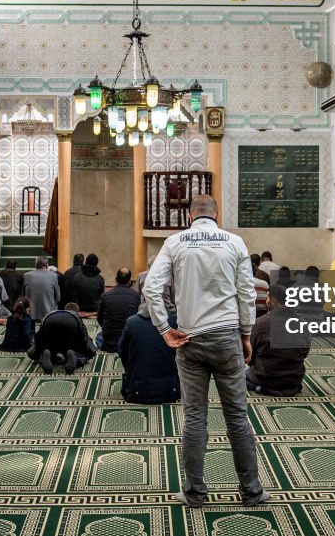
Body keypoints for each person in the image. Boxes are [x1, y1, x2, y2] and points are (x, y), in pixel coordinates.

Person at [144, 194, 269, 508]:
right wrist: (245, 335)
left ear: (190, 216)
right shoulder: (234, 242)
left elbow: (150, 288)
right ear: (217, 214)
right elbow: (246, 293)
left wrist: (164, 327)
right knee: (237, 418)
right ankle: (251, 492)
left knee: (195, 419)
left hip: (189, 340)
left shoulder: (176, 242)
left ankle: (195, 493)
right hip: (227, 336)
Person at [247, 285, 310, 397]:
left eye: (267, 298)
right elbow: (305, 353)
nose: (266, 302)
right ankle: (285, 388)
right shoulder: (302, 323)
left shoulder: (260, 323)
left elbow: (250, 356)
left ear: (273, 300)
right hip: (293, 379)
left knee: (236, 374)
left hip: (265, 377)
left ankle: (263, 388)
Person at [119, 297, 180, 404]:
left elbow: (121, 350)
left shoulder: (132, 322)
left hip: (138, 390)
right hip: (171, 390)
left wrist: (130, 368)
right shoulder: (174, 321)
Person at [27, 302, 96, 374]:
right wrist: (89, 352)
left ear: (65, 310)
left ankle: (48, 355)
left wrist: (36, 353)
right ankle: (74, 357)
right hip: (70, 337)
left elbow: (39, 338)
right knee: (83, 355)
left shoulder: (52, 314)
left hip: (49, 321)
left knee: (47, 350)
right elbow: (84, 339)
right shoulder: (76, 317)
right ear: (77, 312)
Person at [96, 268, 140, 352]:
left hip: (109, 343)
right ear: (130, 282)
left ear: (116, 280)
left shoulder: (105, 296)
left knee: (98, 337)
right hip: (128, 343)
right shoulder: (136, 296)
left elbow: (99, 319)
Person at [23, 256, 60, 322]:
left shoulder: (26, 275)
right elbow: (58, 298)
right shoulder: (54, 276)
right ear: (47, 265)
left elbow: (23, 295)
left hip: (31, 313)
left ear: (36, 265)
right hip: (48, 313)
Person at [72, 253, 104, 318]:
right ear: (96, 264)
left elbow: (74, 294)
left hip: (80, 311)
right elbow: (101, 296)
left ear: (85, 262)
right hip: (95, 312)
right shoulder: (100, 279)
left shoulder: (77, 277)